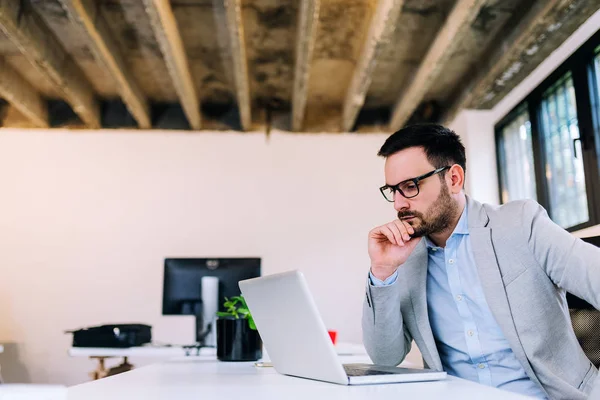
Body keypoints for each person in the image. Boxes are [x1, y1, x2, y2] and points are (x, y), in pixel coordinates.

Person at [362, 124, 600, 399]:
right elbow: (385, 358)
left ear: (453, 179)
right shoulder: (404, 256)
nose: (398, 204)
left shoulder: (521, 223)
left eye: (410, 186)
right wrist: (383, 271)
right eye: (393, 190)